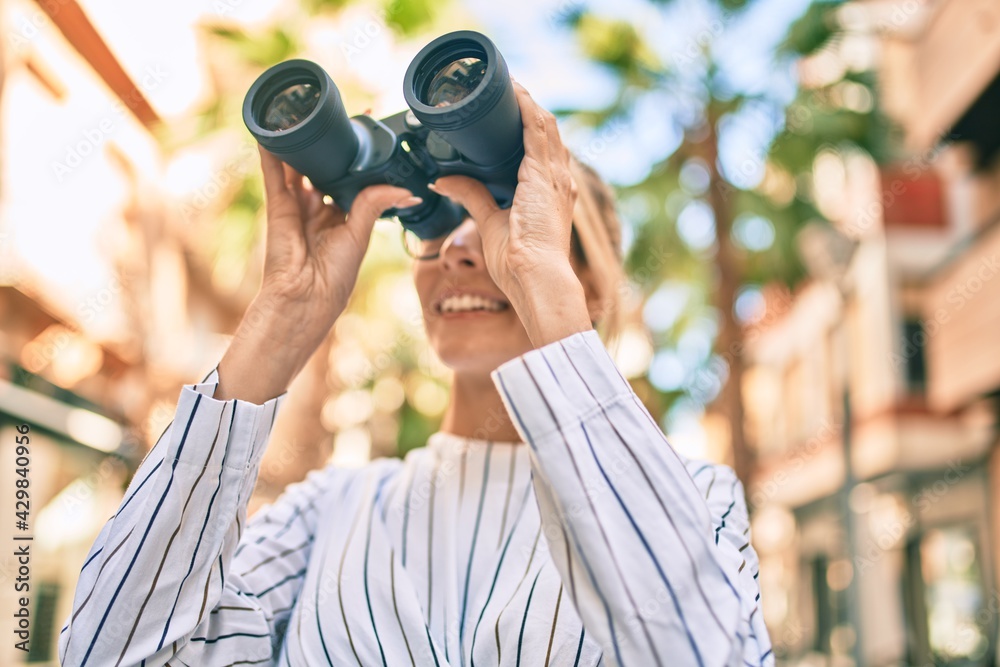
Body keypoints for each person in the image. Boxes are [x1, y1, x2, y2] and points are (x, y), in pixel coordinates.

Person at [58, 80, 773, 667]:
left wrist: (548, 302)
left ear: (587, 286)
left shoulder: (696, 497)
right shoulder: (331, 508)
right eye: (436, 224)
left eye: (506, 217)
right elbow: (111, 654)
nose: (464, 247)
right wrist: (281, 319)